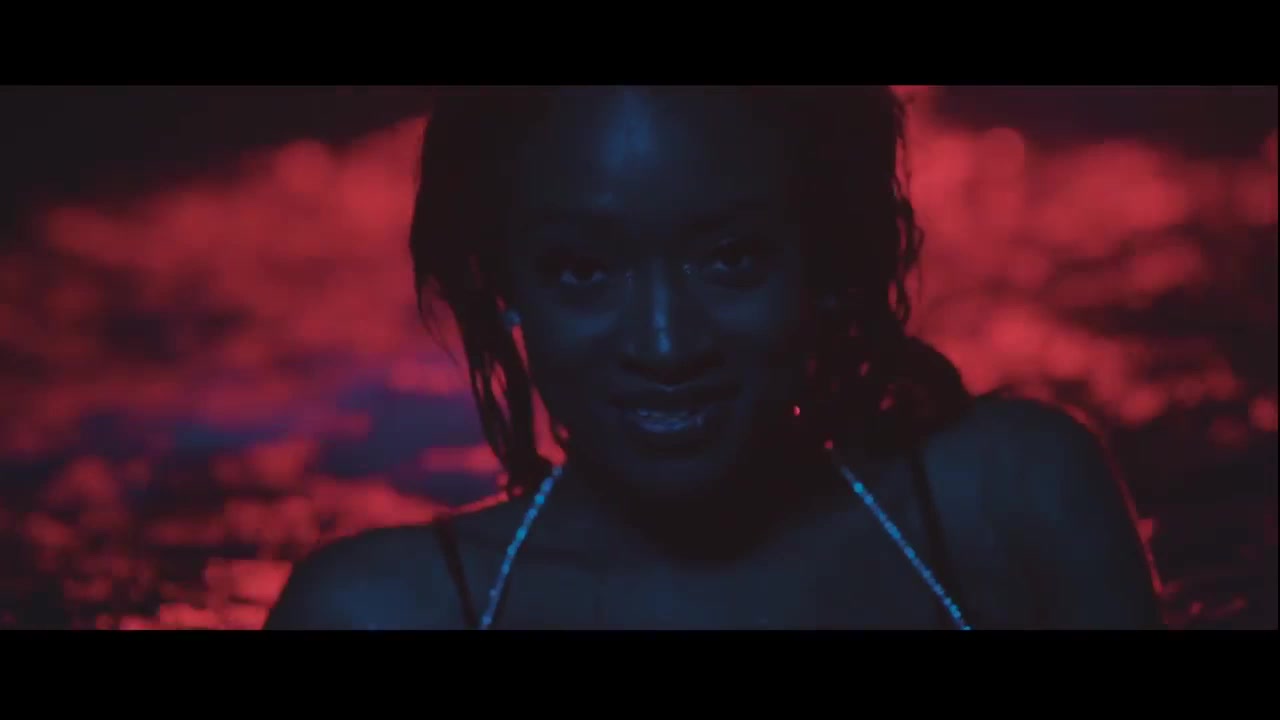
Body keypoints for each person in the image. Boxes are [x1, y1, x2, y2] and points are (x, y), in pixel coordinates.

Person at [263, 86, 1165, 630]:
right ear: (500, 279)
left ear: (822, 258)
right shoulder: (382, 614)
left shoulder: (1015, 511)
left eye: (730, 258)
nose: (666, 344)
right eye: (583, 271)